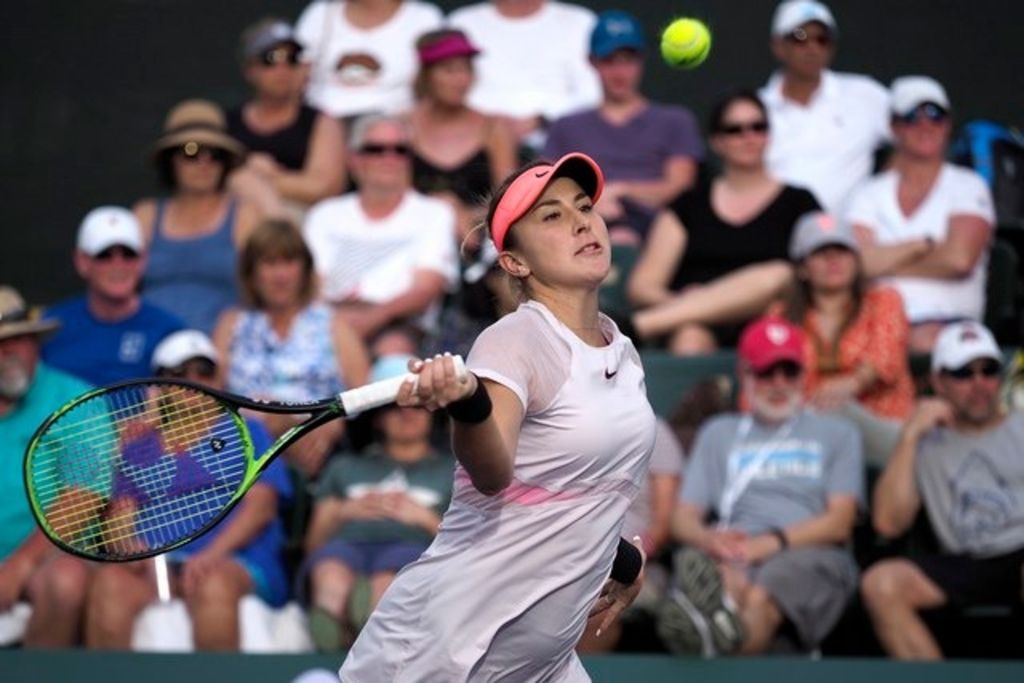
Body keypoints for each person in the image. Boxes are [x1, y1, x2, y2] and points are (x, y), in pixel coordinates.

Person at [339, 153, 654, 681]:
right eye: (551, 216)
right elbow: (493, 474)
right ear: (515, 263)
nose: (581, 221)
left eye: (583, 207)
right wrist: (469, 403)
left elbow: (568, 485)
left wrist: (620, 559)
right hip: (442, 650)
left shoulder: (619, 347)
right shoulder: (515, 339)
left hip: (539, 664)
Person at [659, 316, 863, 656]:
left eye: (790, 371)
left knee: (761, 594)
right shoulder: (718, 431)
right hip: (732, 545)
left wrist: (771, 543)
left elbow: (840, 522)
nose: (779, 383)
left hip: (807, 549)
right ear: (745, 375)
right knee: (723, 579)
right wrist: (710, 538)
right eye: (767, 372)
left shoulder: (838, 433)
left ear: (804, 375)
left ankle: (710, 640)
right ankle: (712, 620)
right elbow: (683, 518)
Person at [85, 329, 292, 651]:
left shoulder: (251, 432)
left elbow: (261, 508)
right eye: (179, 373)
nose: (194, 380)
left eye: (204, 370)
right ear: (160, 385)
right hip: (156, 568)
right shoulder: (136, 447)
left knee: (213, 583)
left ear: (218, 377)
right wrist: (137, 554)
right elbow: (117, 525)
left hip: (236, 561)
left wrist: (211, 556)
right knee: (109, 583)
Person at [862, 321, 1023, 660]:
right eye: (964, 373)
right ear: (939, 382)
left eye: (989, 370)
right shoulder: (923, 443)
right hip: (962, 560)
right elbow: (888, 523)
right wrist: (909, 436)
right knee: (881, 585)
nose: (979, 384)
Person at [627, 90, 820, 354]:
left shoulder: (800, 202)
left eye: (758, 127)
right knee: (689, 337)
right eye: (735, 129)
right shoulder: (689, 205)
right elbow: (643, 286)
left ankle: (637, 327)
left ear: (769, 134)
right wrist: (683, 301)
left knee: (779, 273)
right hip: (700, 323)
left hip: (775, 320)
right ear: (716, 142)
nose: (748, 137)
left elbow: (822, 267)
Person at [303, 354, 454, 651]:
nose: (407, 413)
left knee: (389, 585)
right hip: (342, 550)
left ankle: (363, 629)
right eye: (394, 406)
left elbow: (468, 547)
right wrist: (341, 513)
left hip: (414, 555)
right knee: (330, 578)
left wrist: (424, 518)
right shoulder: (343, 466)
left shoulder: (455, 470)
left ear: (434, 411)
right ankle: (335, 630)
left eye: (419, 403)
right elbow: (312, 547)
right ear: (377, 417)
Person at [844, 76, 995, 353]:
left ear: (948, 125)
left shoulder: (967, 185)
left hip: (952, 329)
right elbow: (856, 265)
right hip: (875, 326)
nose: (926, 125)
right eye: (913, 116)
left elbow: (959, 260)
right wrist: (921, 246)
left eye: (936, 115)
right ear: (894, 127)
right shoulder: (868, 192)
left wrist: (884, 257)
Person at [213, 219, 370, 477]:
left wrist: (332, 426)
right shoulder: (232, 323)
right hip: (243, 442)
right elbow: (213, 393)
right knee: (266, 417)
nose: (281, 275)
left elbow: (363, 394)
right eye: (270, 263)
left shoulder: (331, 323)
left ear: (305, 269)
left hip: (317, 440)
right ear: (251, 272)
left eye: (289, 262)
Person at [544, 10, 703, 244]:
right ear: (592, 62)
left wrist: (621, 191)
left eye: (628, 60)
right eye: (609, 60)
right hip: (581, 228)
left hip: (661, 233)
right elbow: (548, 190)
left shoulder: (675, 120)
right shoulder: (566, 126)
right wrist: (591, 204)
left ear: (641, 60)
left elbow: (680, 187)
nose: (620, 72)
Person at [407, 27, 517, 356]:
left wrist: (467, 217)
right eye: (449, 69)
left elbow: (509, 198)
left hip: (479, 248)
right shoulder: (401, 126)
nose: (460, 79)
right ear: (427, 75)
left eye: (466, 68)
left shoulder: (493, 127)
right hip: (418, 246)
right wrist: (439, 211)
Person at [302, 114, 458, 342]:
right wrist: (336, 325)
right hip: (327, 321)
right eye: (376, 149)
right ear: (353, 158)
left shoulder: (435, 213)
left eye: (400, 150)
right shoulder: (324, 214)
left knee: (393, 350)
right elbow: (311, 283)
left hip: (399, 324)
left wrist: (372, 319)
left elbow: (426, 288)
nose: (390, 158)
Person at [779, 211, 914, 466]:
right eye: (821, 252)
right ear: (802, 267)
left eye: (842, 251)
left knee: (834, 413)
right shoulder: (782, 317)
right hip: (807, 433)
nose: (833, 260)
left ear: (856, 260)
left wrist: (853, 383)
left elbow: (887, 361)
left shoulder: (884, 301)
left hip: (881, 425)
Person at [0, 285, 93, 647]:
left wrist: (20, 564)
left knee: (65, 580)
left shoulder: (77, 401)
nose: (8, 352)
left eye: (19, 340)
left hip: (48, 559)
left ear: (36, 344)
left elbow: (83, 496)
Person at [136, 99, 264, 334]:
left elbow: (265, 286)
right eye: (191, 151)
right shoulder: (145, 215)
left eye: (214, 153)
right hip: (149, 346)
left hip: (220, 349)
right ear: (171, 159)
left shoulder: (244, 215)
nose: (204, 163)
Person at [760, 0, 889, 212]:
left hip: (847, 238)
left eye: (822, 39)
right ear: (778, 46)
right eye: (800, 37)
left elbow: (916, 136)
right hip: (775, 236)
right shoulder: (756, 108)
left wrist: (883, 187)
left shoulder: (865, 94)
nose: (812, 47)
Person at [42, 206, 183, 386]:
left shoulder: (169, 331)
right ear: (82, 262)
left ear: (143, 260)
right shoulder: (50, 328)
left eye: (129, 254)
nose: (118, 265)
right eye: (104, 255)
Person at [226, 18, 347, 218]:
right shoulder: (227, 122)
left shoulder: (320, 122)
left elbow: (324, 187)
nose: (282, 69)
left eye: (292, 58)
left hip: (300, 219)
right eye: (270, 59)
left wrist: (263, 176)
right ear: (250, 69)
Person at [449, 0, 601, 147]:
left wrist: (541, 119)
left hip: (558, 147)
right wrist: (493, 126)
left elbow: (593, 91)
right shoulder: (461, 22)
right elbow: (445, 87)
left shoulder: (580, 21)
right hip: (473, 144)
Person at [294, 0, 443, 119]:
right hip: (321, 130)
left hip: (394, 137)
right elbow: (296, 78)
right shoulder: (320, 12)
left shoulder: (424, 17)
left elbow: (433, 92)